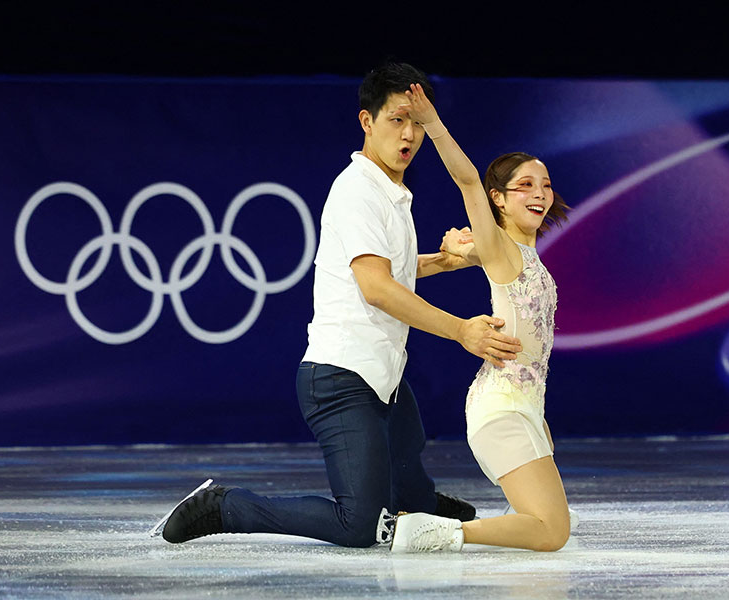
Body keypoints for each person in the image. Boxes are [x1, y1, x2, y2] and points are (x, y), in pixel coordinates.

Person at [157, 63, 523, 548]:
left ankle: (417, 501)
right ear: (367, 122)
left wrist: (444, 262)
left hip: (384, 378)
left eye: (416, 122)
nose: (409, 134)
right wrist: (461, 331)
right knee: (360, 526)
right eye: (396, 120)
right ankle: (223, 505)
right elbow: (376, 288)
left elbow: (389, 269)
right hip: (340, 379)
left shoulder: (392, 192)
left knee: (412, 496)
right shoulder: (356, 190)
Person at [384, 84, 571, 552]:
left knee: (547, 527)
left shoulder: (524, 256)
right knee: (552, 532)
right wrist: (432, 124)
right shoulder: (501, 247)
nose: (540, 193)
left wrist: (454, 254)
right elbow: (468, 182)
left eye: (545, 184)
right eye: (524, 185)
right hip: (500, 409)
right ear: (499, 199)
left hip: (522, 408)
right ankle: (434, 530)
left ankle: (432, 528)